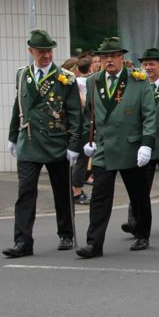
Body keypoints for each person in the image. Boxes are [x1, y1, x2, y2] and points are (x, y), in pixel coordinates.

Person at [4, 29, 83, 258]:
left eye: (49, 51)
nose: (46, 55)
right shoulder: (22, 74)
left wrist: (74, 144)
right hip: (29, 143)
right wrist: (12, 136)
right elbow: (18, 106)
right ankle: (22, 241)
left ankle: (66, 233)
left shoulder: (65, 78)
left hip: (56, 142)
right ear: (31, 51)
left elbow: (74, 113)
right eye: (41, 51)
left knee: (62, 191)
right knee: (25, 193)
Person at [76, 38, 156, 258]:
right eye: (105, 57)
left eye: (113, 56)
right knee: (99, 197)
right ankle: (94, 243)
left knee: (138, 195)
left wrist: (146, 144)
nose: (109, 60)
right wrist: (87, 139)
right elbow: (88, 114)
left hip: (131, 146)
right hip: (104, 147)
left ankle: (142, 233)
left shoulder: (138, 81)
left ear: (122, 57)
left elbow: (149, 115)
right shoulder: (93, 81)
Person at [121, 48, 159, 234]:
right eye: (145, 64)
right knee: (138, 185)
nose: (148, 68)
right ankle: (135, 220)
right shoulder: (137, 86)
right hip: (144, 143)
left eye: (152, 64)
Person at [71, 55, 92, 205]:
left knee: (82, 159)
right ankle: (76, 191)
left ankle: (76, 189)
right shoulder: (85, 83)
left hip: (79, 125)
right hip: (82, 124)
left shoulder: (75, 82)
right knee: (82, 160)